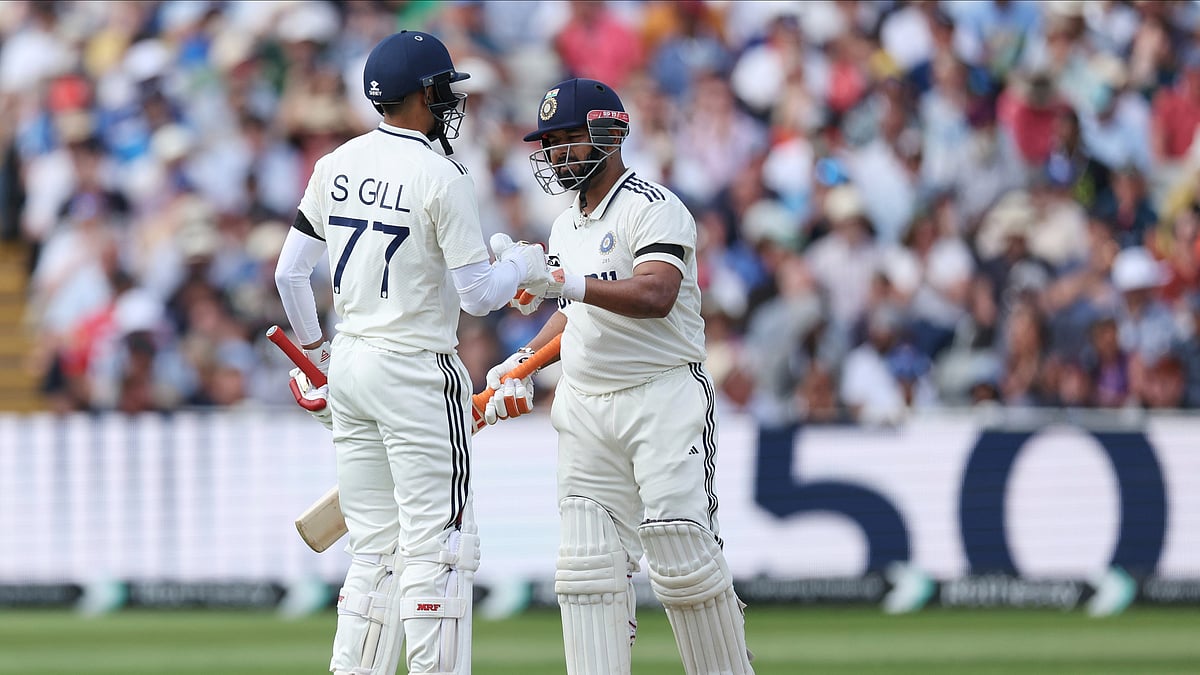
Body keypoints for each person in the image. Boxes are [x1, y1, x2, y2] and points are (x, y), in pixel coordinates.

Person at [273, 31, 551, 675]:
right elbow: (478, 294)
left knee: (373, 552)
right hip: (418, 369)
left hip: (349, 363)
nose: (452, 105)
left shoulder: (335, 163)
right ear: (424, 95)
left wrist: (315, 354)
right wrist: (524, 265)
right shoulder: (441, 173)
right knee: (440, 549)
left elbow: (290, 276)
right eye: (446, 92)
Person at [484, 77, 754, 674]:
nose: (556, 153)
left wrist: (566, 283)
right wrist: (520, 361)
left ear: (609, 134)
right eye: (549, 142)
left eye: (568, 139)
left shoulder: (653, 207)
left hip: (661, 397)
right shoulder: (564, 225)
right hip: (584, 406)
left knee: (682, 558)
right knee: (586, 570)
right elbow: (574, 314)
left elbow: (657, 293)